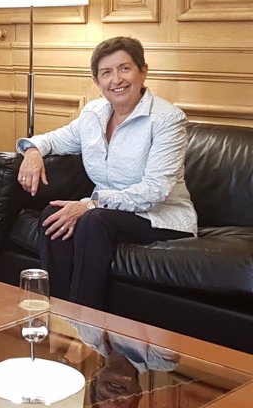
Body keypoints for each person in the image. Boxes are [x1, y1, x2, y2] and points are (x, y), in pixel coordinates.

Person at [16, 36, 197, 309]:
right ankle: (59, 315)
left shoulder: (167, 119)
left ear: (142, 71)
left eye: (125, 68)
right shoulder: (93, 114)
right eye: (106, 72)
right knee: (53, 214)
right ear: (97, 81)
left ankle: (85, 323)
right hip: (108, 213)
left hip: (161, 218)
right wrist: (32, 151)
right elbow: (54, 139)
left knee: (92, 221)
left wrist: (91, 204)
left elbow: (155, 190)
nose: (117, 80)